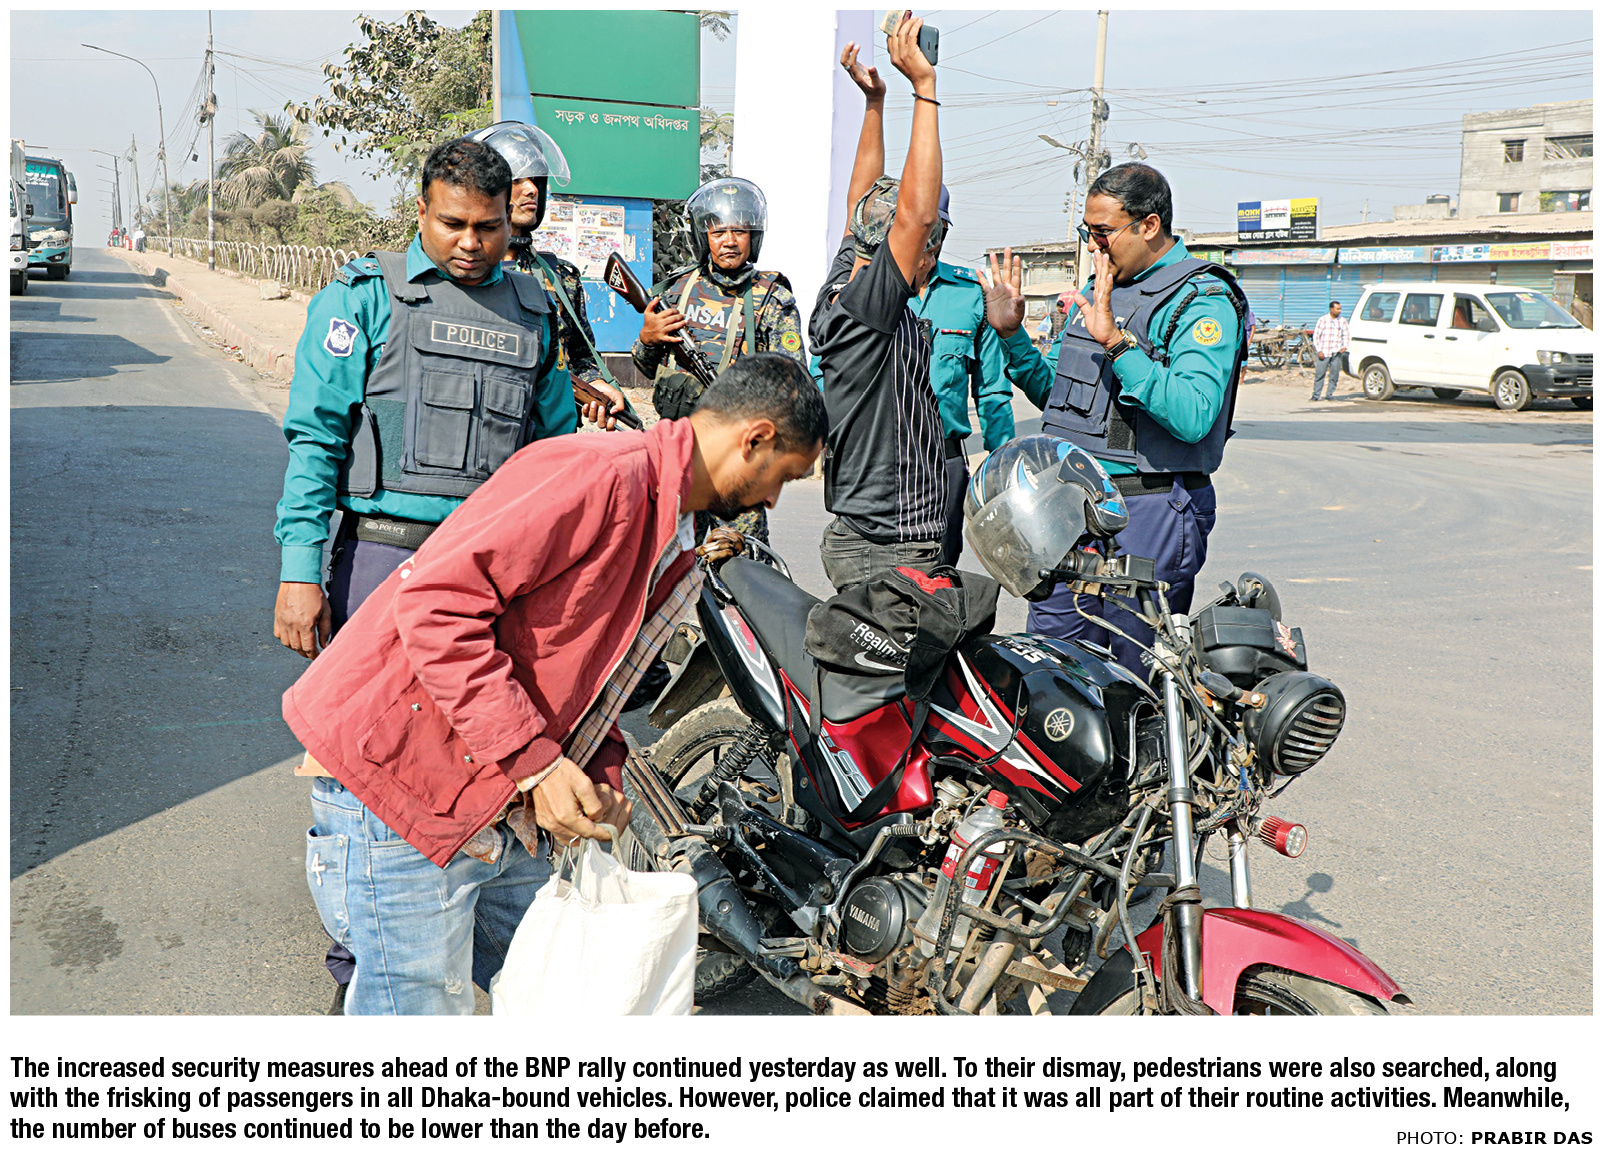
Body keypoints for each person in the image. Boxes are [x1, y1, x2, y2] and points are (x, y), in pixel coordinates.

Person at [284, 354, 826, 1015]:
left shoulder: (675, 527)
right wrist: (536, 763)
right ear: (756, 438)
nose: (773, 500)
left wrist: (599, 770)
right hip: (400, 780)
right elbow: (435, 607)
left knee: (564, 1000)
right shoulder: (602, 476)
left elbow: (585, 669)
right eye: (784, 477)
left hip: (489, 791)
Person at [272, 136, 576, 1011]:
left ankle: (455, 933)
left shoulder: (533, 310)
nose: (472, 243)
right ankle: (359, 966)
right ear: (420, 211)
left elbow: (554, 455)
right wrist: (299, 569)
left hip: (489, 578)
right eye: (453, 224)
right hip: (378, 562)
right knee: (362, 762)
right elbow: (316, 441)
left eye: (489, 227)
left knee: (472, 754)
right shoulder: (363, 297)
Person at [980, 162, 1249, 674]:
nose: (1093, 246)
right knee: (1053, 667)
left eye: (1102, 232)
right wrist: (1011, 335)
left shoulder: (1201, 299)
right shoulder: (1098, 290)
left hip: (1147, 508)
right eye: (1087, 232)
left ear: (1149, 225)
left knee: (1136, 671)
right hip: (1068, 509)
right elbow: (1059, 398)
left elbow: (1193, 414)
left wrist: (1117, 343)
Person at [810, 18, 948, 592]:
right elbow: (915, 215)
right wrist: (924, 89)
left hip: (877, 537)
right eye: (931, 243)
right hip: (886, 546)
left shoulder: (848, 277)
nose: (932, 254)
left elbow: (859, 203)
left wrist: (874, 104)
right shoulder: (871, 307)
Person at [632, 176, 807, 544]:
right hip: (679, 453)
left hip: (737, 460)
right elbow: (646, 366)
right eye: (718, 232)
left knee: (741, 561)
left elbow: (793, 382)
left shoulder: (771, 298)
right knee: (670, 557)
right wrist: (648, 338)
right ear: (703, 237)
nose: (729, 241)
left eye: (739, 231)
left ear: (753, 237)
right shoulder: (678, 290)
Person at [468, 120, 629, 431]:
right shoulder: (467, 269)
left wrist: (597, 384)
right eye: (518, 180)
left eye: (536, 181)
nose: (531, 189)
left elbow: (581, 355)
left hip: (549, 436)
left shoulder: (560, 276)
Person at [910, 186, 1015, 566]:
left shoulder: (971, 293)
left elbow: (992, 391)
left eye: (934, 231)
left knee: (939, 570)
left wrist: (1004, 468)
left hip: (944, 460)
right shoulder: (865, 290)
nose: (925, 241)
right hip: (879, 458)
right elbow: (826, 375)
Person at [1310, 299, 1348, 401]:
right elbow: (1316, 336)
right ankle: (1316, 395)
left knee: (1334, 375)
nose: (1340, 311)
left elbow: (1346, 335)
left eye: (1340, 309)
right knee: (1320, 374)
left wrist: (1345, 346)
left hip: (1337, 352)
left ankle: (1329, 394)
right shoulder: (1323, 320)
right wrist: (1319, 350)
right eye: (1337, 309)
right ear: (1331, 309)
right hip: (1324, 352)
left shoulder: (1342, 321)